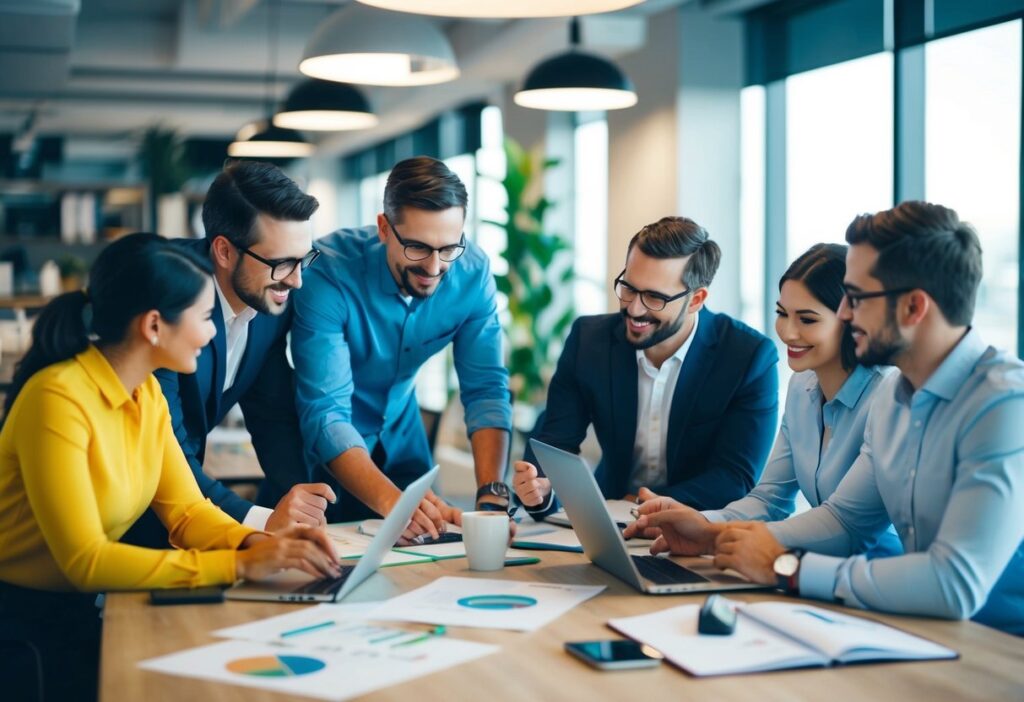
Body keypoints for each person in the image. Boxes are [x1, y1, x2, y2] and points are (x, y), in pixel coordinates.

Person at [631, 202, 1024, 635]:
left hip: (1001, 642)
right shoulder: (896, 394)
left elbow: (955, 585)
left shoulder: (1004, 404)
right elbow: (845, 520)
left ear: (914, 308)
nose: (846, 315)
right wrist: (711, 534)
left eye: (855, 299)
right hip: (924, 627)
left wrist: (787, 569)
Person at [0, 233, 340, 701]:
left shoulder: (147, 394)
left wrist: (264, 545)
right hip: (21, 629)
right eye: (204, 317)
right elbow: (85, 561)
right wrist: (240, 564)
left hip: (81, 612)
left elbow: (186, 513)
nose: (212, 333)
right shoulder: (57, 398)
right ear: (155, 326)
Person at [625, 243, 901, 558]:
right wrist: (696, 521)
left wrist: (715, 535)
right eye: (782, 314)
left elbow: (846, 525)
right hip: (808, 569)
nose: (788, 332)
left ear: (852, 321)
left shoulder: (887, 397)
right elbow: (769, 499)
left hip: (877, 580)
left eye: (807, 320)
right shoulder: (802, 387)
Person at [291, 156, 513, 541]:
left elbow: (486, 390)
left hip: (405, 445)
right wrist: (395, 505)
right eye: (417, 248)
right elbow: (327, 412)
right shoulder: (327, 273)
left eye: (448, 248)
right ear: (383, 228)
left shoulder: (472, 272)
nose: (434, 267)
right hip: (322, 464)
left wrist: (491, 498)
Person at [124, 161, 335, 549]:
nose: (296, 279)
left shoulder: (272, 295)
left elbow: (272, 413)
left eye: (304, 259)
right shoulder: (166, 299)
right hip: (124, 516)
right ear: (223, 250)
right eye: (281, 262)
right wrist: (263, 520)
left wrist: (301, 505)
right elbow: (166, 447)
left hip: (186, 513)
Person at [513, 216, 779, 519]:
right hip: (608, 520)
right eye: (628, 288)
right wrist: (540, 490)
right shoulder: (589, 341)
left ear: (696, 300)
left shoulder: (748, 357)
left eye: (654, 297)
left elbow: (735, 478)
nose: (634, 309)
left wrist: (642, 504)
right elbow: (555, 442)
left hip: (702, 525)